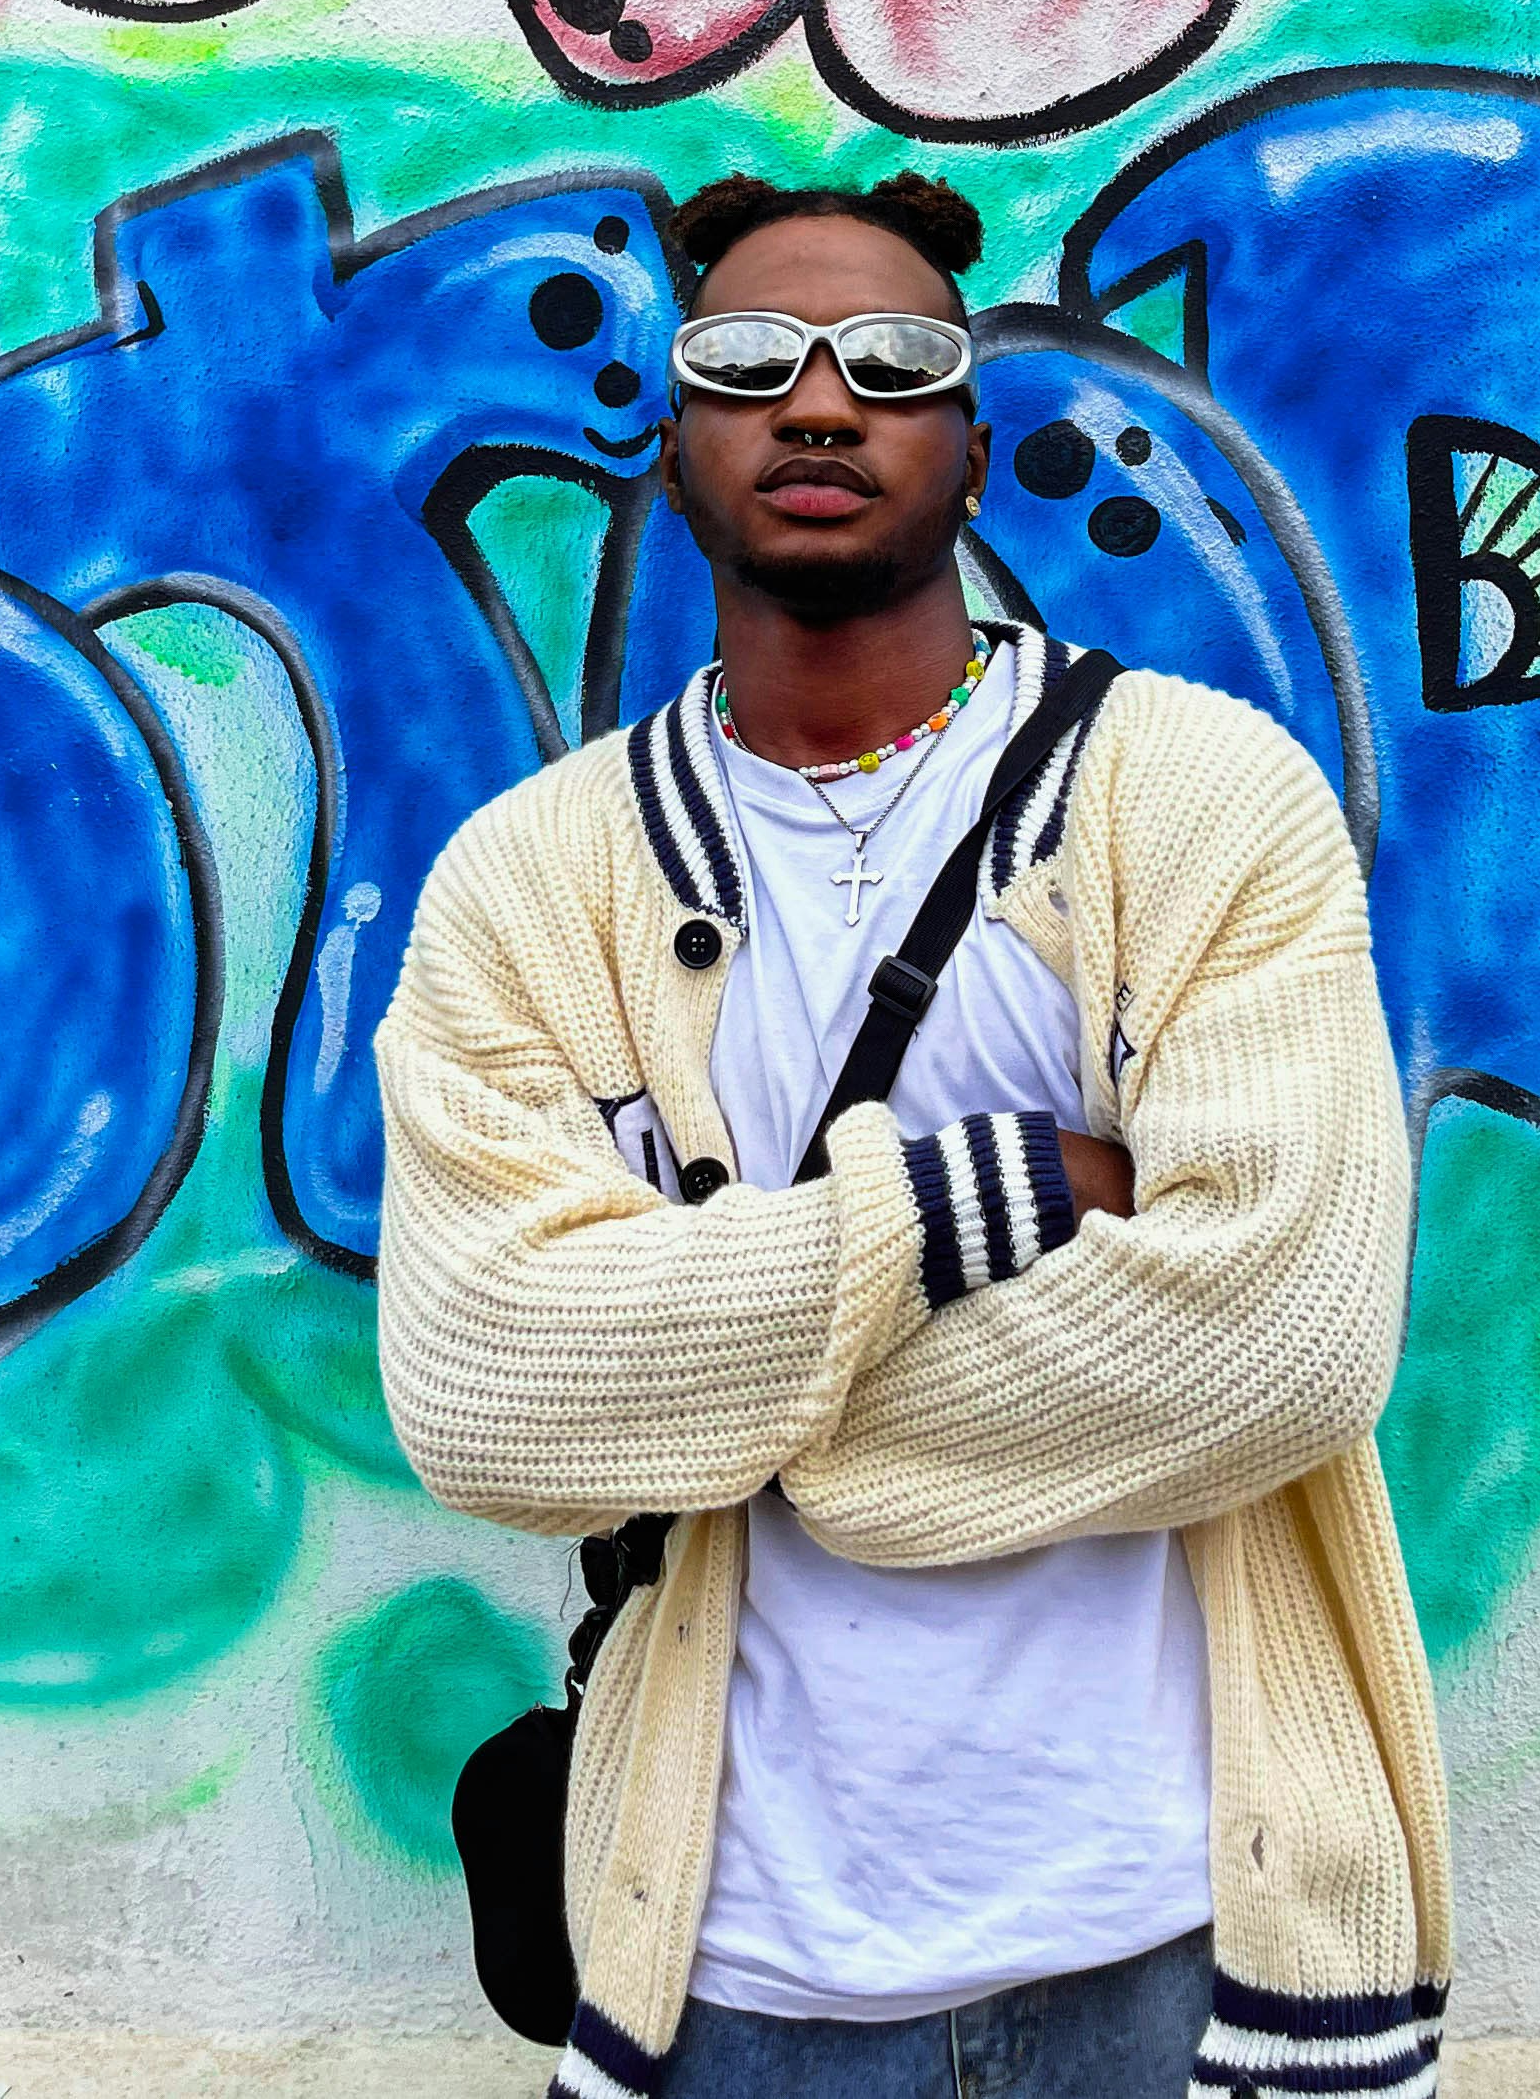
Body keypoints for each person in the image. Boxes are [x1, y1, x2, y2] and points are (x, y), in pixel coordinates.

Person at [376, 171, 1450, 2099]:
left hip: (1177, 1938)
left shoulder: (1195, 801)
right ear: (671, 432)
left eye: (891, 360)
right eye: (748, 358)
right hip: (726, 1964)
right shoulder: (532, 887)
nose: (817, 401)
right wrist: (1002, 1193)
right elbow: (486, 1392)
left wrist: (732, 1383)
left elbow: (1285, 1338)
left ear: (972, 442)